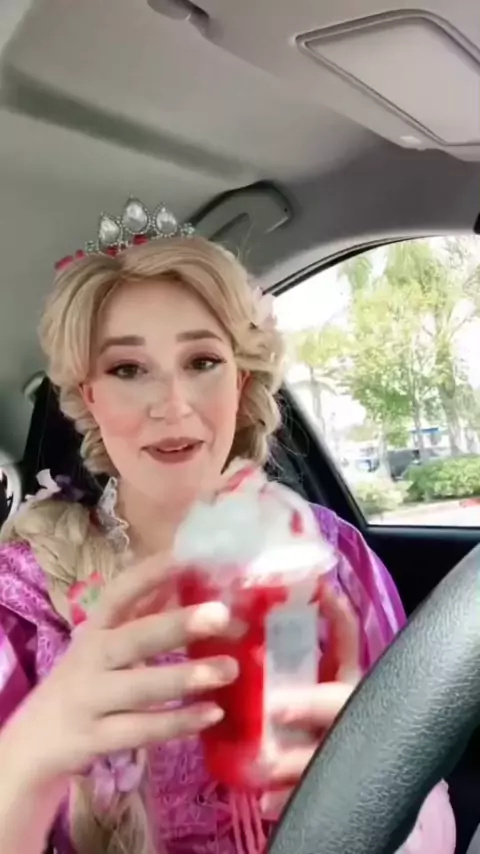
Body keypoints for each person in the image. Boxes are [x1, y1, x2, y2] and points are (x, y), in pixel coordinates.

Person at [0, 199, 455, 854]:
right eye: (128, 369)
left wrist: (364, 783)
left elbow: (423, 795)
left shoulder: (331, 555)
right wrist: (24, 767)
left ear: (240, 382)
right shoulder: (21, 597)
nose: (172, 405)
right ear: (89, 397)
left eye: (202, 362)